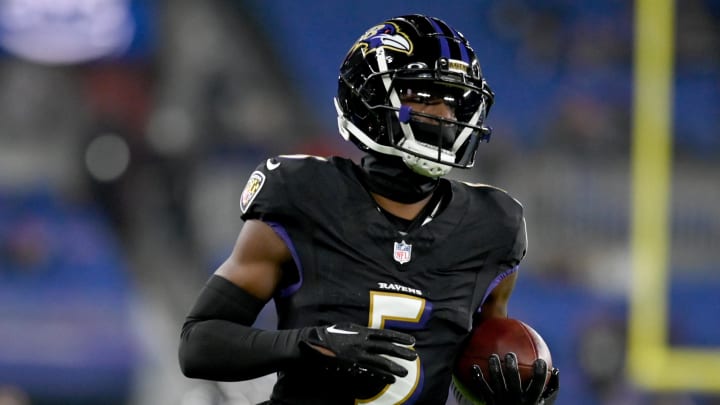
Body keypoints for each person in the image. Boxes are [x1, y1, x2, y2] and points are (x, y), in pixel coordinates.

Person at [178, 14, 559, 405]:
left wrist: (506, 395)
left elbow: (468, 380)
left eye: (453, 101)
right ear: (368, 102)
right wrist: (310, 344)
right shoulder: (302, 195)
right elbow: (199, 345)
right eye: (423, 97)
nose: (444, 115)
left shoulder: (493, 226)